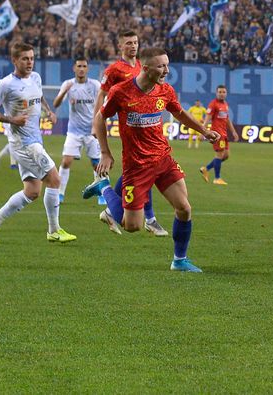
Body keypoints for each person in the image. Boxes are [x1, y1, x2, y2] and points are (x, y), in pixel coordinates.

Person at [90, 46, 219, 272]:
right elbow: (100, 118)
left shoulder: (165, 90)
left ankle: (179, 260)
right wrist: (105, 152)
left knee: (184, 208)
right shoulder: (121, 92)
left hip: (163, 159)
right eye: (161, 66)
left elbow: (179, 113)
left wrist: (204, 131)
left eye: (167, 65)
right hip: (136, 167)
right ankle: (103, 186)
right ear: (146, 68)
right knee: (132, 226)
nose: (167, 70)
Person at [0, 41, 76, 243]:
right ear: (14, 60)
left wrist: (48, 111)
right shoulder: (5, 84)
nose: (29, 62)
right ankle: (54, 230)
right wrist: (11, 120)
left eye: (32, 58)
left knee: (32, 191)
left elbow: (39, 96)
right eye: (25, 59)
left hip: (35, 139)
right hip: (23, 143)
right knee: (55, 179)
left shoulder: (36, 77)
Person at [90, 29, 168, 236]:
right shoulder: (114, 69)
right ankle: (150, 218)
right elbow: (102, 95)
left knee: (140, 169)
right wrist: (95, 123)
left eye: (135, 42)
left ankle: (110, 210)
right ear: (120, 46)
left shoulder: (144, 66)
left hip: (144, 125)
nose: (133, 46)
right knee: (145, 166)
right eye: (128, 43)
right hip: (128, 124)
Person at [52, 56, 104, 202]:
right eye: (79, 66)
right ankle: (60, 194)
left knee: (96, 164)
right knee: (66, 161)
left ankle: (101, 194)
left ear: (88, 69)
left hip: (92, 131)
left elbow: (102, 104)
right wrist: (64, 92)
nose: (81, 69)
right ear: (74, 68)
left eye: (84, 66)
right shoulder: (68, 84)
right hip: (74, 131)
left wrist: (97, 125)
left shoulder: (95, 85)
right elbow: (55, 104)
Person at [199, 84, 238, 185]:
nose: (222, 94)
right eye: (220, 92)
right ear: (216, 93)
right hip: (217, 134)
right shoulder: (213, 104)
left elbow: (227, 119)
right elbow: (207, 118)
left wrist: (233, 131)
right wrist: (202, 131)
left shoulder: (225, 104)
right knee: (220, 155)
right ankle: (217, 178)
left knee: (226, 155)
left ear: (226, 93)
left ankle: (206, 169)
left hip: (224, 134)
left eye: (223, 92)